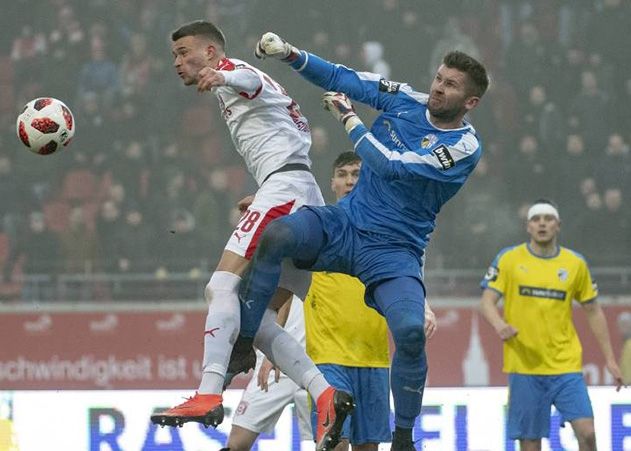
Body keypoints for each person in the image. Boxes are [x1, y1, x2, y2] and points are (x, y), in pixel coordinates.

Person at [232, 33, 489, 451]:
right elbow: (344, 77)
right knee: (277, 234)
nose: (439, 88)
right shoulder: (407, 99)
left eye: (451, 85)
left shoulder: (464, 147)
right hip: (346, 225)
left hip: (394, 252)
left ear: (470, 102)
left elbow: (393, 168)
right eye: (440, 78)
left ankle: (403, 436)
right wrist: (291, 55)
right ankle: (244, 344)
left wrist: (349, 120)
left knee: (408, 332)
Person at [151, 22, 344, 447]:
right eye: (174, 57)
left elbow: (247, 78)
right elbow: (290, 131)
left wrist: (222, 74)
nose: (178, 63)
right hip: (300, 195)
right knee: (254, 323)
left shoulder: (235, 73)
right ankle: (325, 392)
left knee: (219, 286)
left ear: (210, 50)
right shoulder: (243, 90)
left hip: (286, 192)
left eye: (184, 53)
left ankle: (207, 392)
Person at [479, 199, 624, 451]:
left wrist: (610, 358)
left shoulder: (575, 263)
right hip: (525, 365)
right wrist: (499, 324)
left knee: (588, 433)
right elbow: (487, 301)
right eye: (536, 219)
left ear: (558, 225)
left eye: (548, 218)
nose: (542, 223)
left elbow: (593, 310)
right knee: (531, 443)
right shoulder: (509, 259)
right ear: (528, 227)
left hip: (565, 364)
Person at [221, 297, 312, 451]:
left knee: (329, 442)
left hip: (314, 360)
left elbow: (286, 294)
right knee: (237, 443)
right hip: (274, 361)